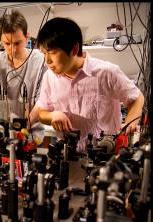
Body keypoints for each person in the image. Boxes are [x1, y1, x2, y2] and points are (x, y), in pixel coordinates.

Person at [36, 17, 144, 152]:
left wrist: (130, 122)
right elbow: (41, 113)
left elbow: (137, 97)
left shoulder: (107, 73)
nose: (47, 60)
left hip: (104, 156)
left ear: (74, 49)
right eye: (44, 53)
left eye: (52, 52)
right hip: (68, 156)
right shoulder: (49, 77)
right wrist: (53, 116)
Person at [0, 9, 47, 125]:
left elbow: (43, 100)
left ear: (27, 36)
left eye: (17, 43)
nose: (12, 49)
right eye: (7, 44)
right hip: (4, 131)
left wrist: (25, 126)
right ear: (0, 40)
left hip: (34, 131)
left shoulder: (41, 62)